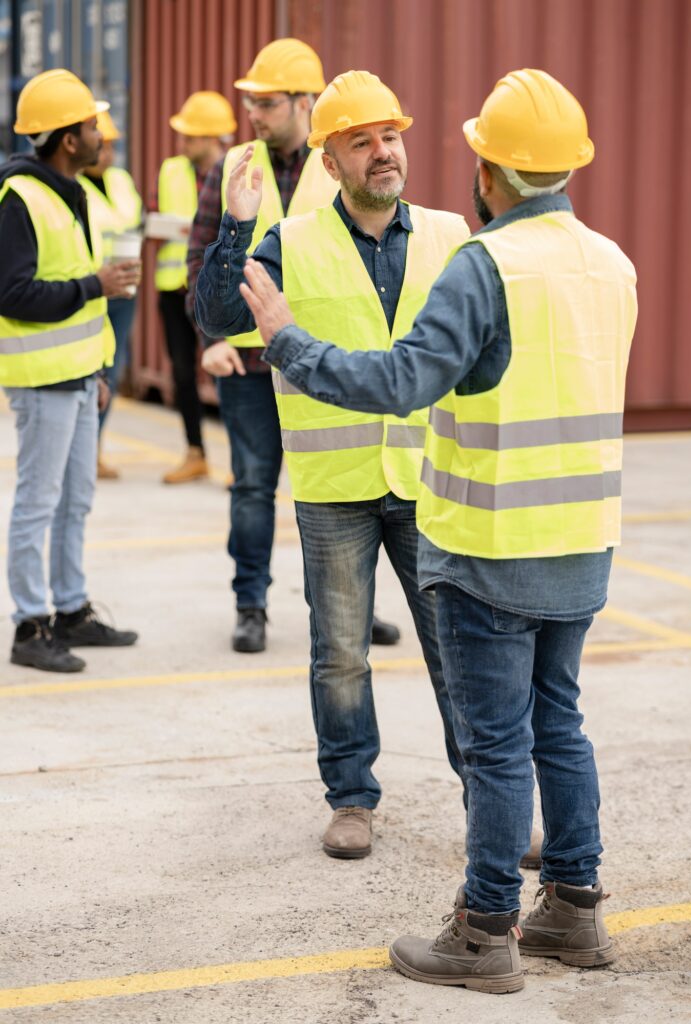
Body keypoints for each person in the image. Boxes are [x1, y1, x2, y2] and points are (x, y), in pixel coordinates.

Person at [239, 68, 638, 993]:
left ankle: (484, 929)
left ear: (490, 170)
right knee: (559, 728)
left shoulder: (482, 263)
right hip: (582, 539)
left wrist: (288, 341)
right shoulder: (609, 261)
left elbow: (396, 384)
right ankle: (574, 911)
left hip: (490, 544)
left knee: (496, 746)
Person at [196, 69, 473, 860]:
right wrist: (236, 228)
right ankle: (351, 797)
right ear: (331, 162)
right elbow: (217, 316)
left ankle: (488, 794)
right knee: (340, 655)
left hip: (431, 481)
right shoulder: (291, 241)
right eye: (362, 142)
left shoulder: (453, 235)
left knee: (458, 654)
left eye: (390, 136)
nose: (383, 152)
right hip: (333, 489)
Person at [188, 39, 400, 653]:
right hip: (248, 363)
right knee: (253, 487)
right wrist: (211, 339)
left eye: (269, 102)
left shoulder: (338, 165)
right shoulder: (232, 165)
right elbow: (199, 262)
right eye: (251, 101)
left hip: (319, 363)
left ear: (306, 102)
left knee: (345, 490)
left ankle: (355, 606)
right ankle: (250, 605)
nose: (254, 112)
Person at [0, 69, 141, 673]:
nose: (99, 135)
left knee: (76, 498)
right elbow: (12, 294)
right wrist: (96, 284)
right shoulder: (19, 199)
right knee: (39, 501)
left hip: (79, 376)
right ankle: (30, 626)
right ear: (66, 138)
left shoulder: (72, 190)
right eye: (90, 126)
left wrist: (99, 369)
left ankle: (71, 610)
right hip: (41, 380)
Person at [155, 90, 236, 484]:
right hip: (173, 286)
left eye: (190, 136)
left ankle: (243, 463)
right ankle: (195, 453)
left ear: (210, 138)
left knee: (227, 372)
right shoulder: (171, 169)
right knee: (183, 375)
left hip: (218, 287)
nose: (182, 143)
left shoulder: (238, 168)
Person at [79, 108, 143, 479]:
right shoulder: (73, 186)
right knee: (91, 370)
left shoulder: (121, 181)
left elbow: (132, 220)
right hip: (91, 292)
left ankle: (95, 448)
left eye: (113, 147)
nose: (108, 154)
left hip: (123, 293)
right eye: (103, 145)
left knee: (112, 372)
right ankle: (84, 450)